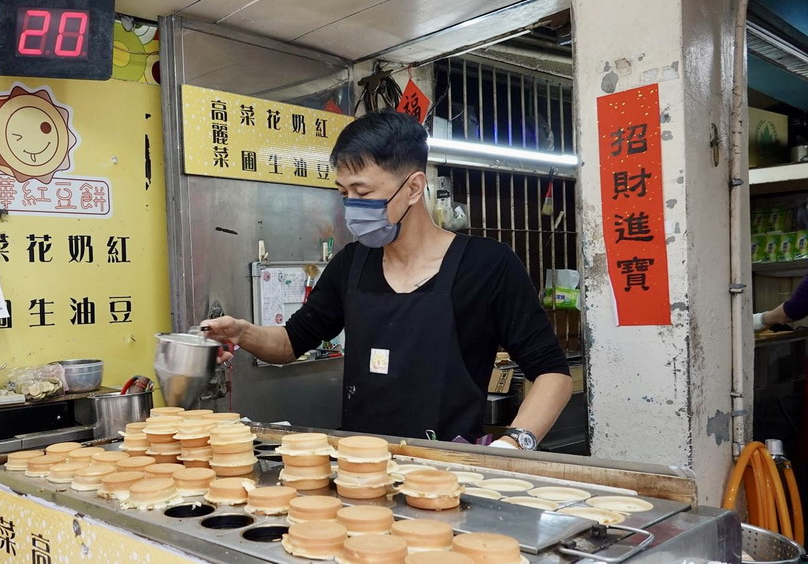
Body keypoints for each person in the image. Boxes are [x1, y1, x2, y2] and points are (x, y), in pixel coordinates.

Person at [201, 111, 572, 448]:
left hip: (449, 469)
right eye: (344, 193)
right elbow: (289, 343)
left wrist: (513, 443)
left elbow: (553, 375)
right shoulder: (352, 264)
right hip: (361, 465)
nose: (351, 206)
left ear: (413, 188)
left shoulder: (488, 265)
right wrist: (242, 332)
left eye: (362, 192)